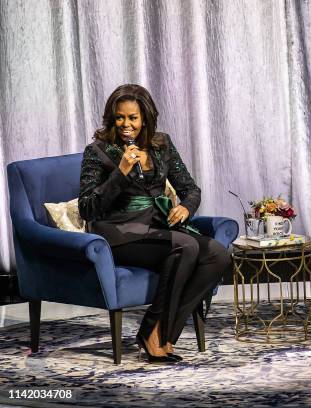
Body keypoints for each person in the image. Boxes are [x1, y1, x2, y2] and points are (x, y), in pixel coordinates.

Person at [78, 84, 231, 363]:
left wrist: (185, 207)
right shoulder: (97, 151)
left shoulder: (162, 144)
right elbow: (88, 208)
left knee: (217, 253)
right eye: (120, 117)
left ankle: (164, 333)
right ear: (112, 117)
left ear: (145, 118)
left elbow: (190, 189)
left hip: (158, 229)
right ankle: (152, 334)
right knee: (185, 245)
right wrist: (120, 173)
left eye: (132, 118)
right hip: (119, 234)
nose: (126, 124)